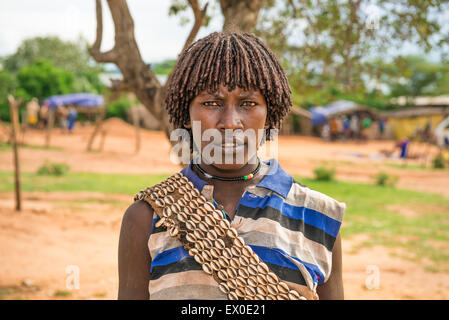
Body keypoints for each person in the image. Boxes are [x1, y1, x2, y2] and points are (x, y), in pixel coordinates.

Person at [118, 32, 346, 300]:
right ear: (187, 114)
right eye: (211, 103)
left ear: (269, 114)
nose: (229, 122)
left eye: (248, 103)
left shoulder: (318, 217)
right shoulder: (147, 218)